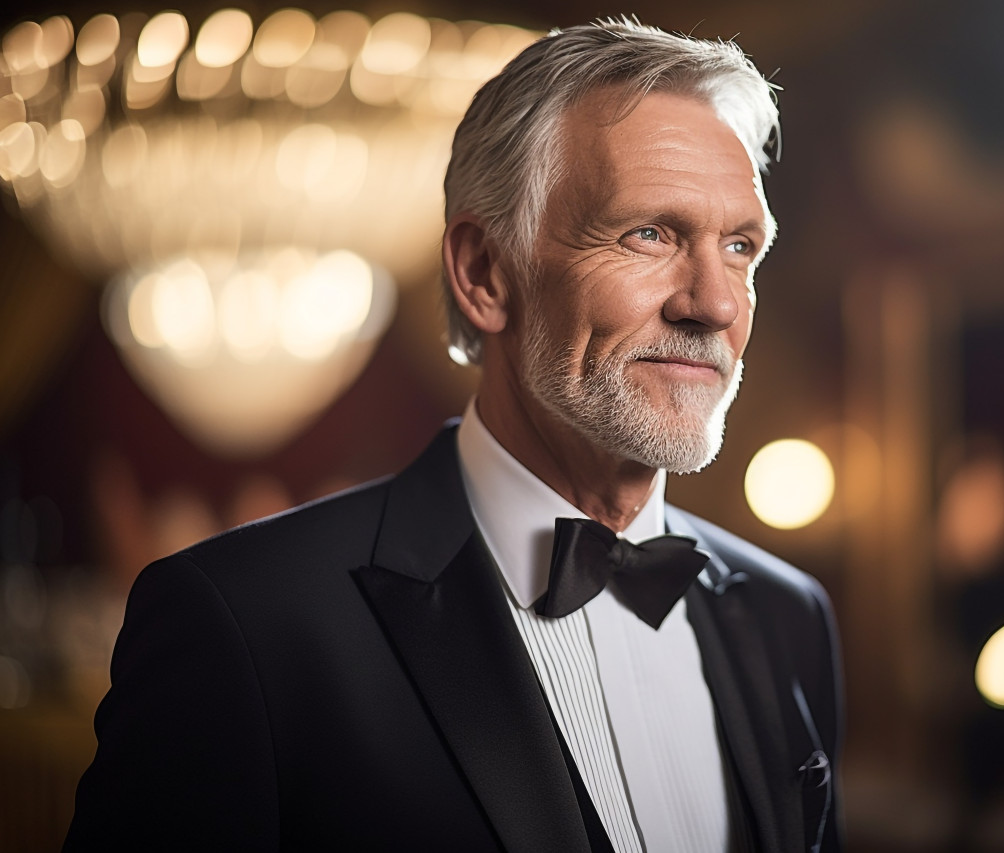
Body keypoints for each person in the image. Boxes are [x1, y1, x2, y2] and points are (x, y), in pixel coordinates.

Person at [65, 19, 843, 853]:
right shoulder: (243, 623)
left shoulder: (788, 614)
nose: (716, 304)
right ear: (483, 273)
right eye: (649, 233)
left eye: (740, 246)